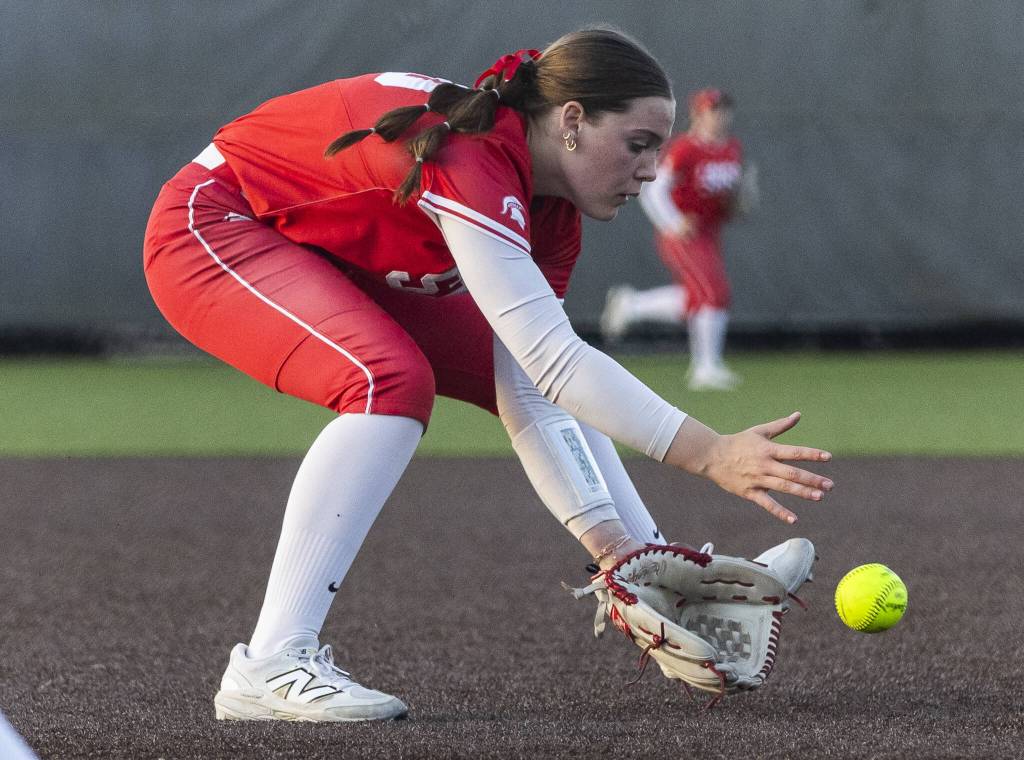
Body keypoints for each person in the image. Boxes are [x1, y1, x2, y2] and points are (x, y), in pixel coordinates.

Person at [143, 28, 832, 723]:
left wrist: (622, 554)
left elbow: (534, 380)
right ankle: (270, 662)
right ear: (570, 122)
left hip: (328, 253)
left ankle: (651, 574)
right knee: (388, 382)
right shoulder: (473, 156)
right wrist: (710, 451)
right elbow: (559, 364)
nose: (652, 170)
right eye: (637, 143)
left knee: (498, 375)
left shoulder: (551, 209)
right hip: (217, 224)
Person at [601, 88, 756, 391]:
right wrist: (672, 223)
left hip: (710, 233)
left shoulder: (731, 148)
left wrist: (735, 205)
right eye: (712, 110)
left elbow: (727, 197)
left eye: (724, 110)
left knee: (702, 297)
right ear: (697, 114)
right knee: (712, 292)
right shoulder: (685, 148)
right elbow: (652, 189)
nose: (719, 116)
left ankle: (633, 305)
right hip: (684, 234)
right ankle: (705, 368)